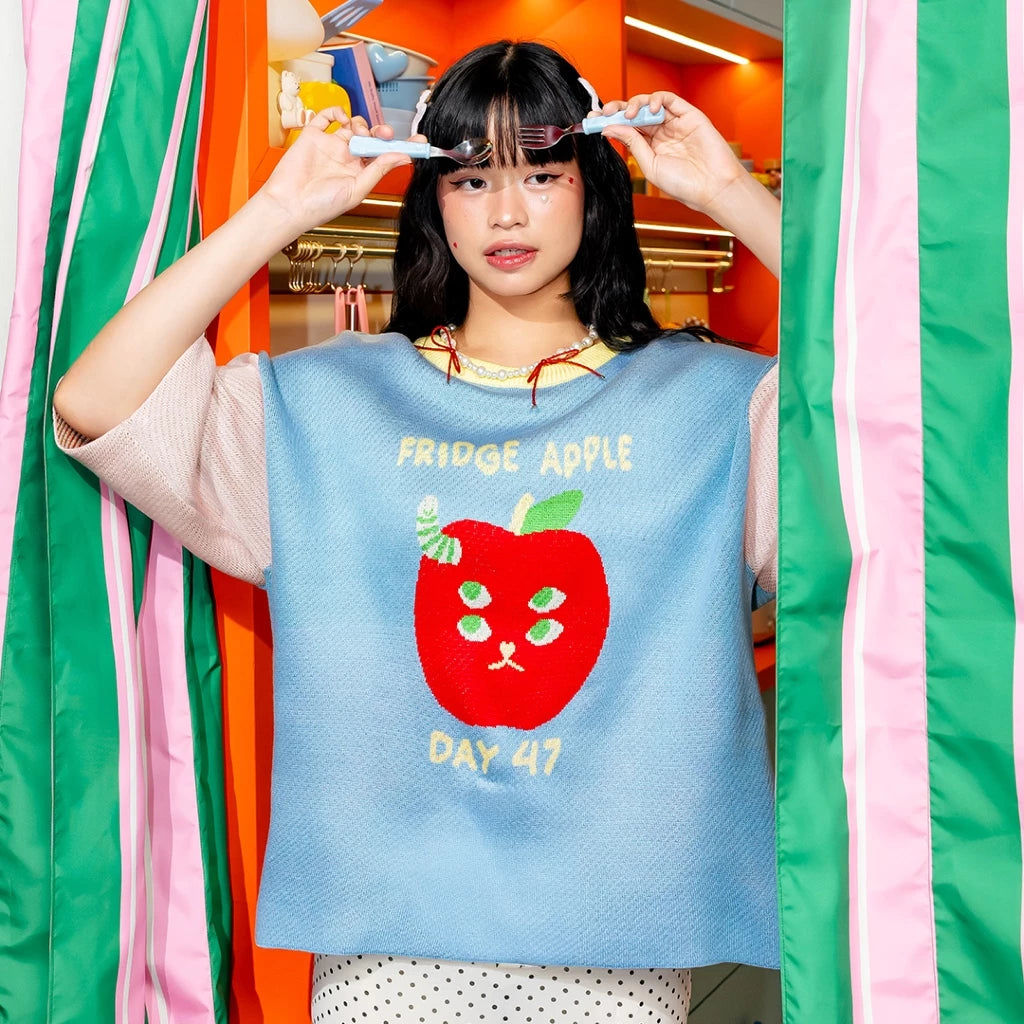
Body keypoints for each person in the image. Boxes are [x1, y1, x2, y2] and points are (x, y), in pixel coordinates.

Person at [52, 40, 780, 1024]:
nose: (507, 213)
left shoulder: (713, 405)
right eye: (472, 178)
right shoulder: (330, 404)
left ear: (594, 187)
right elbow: (98, 401)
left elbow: (906, 417)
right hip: (387, 943)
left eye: (541, 174)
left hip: (619, 937)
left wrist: (732, 194)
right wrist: (275, 212)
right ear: (433, 199)